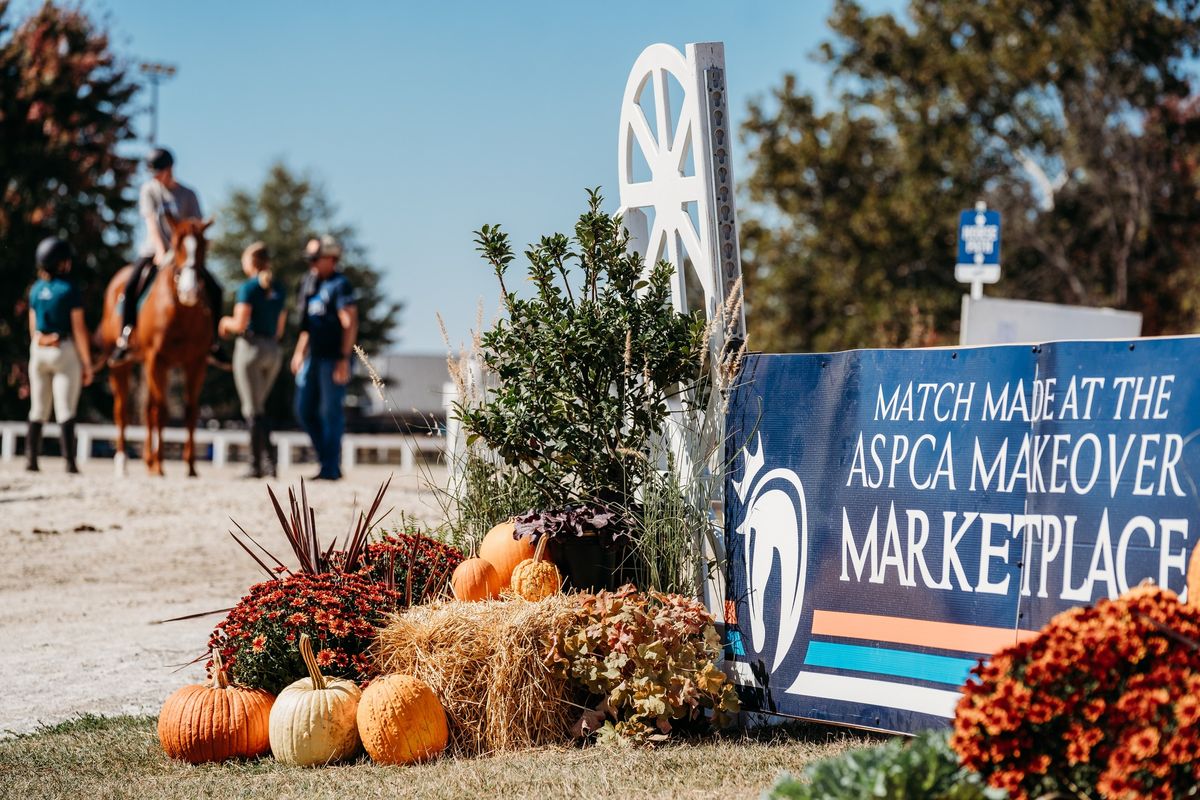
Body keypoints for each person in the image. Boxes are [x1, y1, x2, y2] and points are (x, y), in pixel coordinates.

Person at [109, 147, 229, 368]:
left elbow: (195, 228)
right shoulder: (149, 191)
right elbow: (152, 224)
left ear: (169, 169)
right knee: (131, 286)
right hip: (153, 252)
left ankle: (214, 342)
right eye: (152, 172)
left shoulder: (188, 195)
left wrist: (183, 254)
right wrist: (160, 251)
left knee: (215, 288)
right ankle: (125, 337)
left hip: (184, 257)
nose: (155, 176)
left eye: (158, 171)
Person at [291, 234, 358, 480]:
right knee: (304, 410)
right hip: (313, 357)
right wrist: (299, 352)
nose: (311, 264)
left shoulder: (340, 285)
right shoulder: (310, 284)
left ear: (331, 258)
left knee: (331, 412)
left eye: (315, 259)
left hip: (333, 358)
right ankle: (326, 460)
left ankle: (330, 468)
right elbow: (307, 326)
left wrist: (343, 357)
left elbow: (349, 323)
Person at [26, 237, 94, 473]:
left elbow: (32, 328)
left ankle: (31, 460)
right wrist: (87, 363)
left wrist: (42, 340)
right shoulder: (69, 290)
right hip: (62, 350)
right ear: (61, 263)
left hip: (38, 350)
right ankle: (69, 462)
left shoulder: (35, 289)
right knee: (65, 409)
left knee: (38, 408)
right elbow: (78, 329)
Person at [219, 242, 287, 478]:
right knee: (259, 408)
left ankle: (256, 464)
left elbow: (239, 324)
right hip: (273, 351)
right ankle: (269, 464)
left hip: (251, 349)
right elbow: (280, 329)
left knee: (252, 410)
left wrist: (224, 323)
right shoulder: (278, 288)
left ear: (251, 262)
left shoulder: (248, 288)